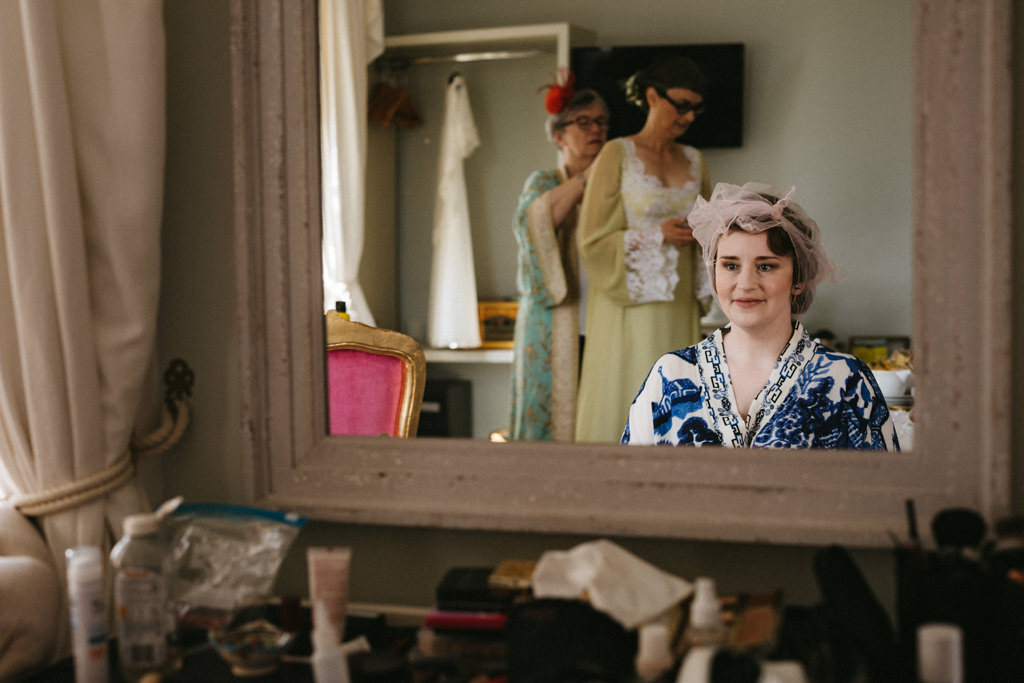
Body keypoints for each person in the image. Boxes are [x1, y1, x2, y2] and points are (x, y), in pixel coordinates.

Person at [622, 181, 900, 450]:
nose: (745, 283)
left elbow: (883, 492)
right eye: (730, 265)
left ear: (798, 279)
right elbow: (629, 488)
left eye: (766, 266)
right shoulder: (670, 374)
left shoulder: (846, 379)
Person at [575, 56, 712, 442]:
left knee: (675, 393)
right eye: (681, 104)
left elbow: (711, 226)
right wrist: (656, 235)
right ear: (652, 96)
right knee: (630, 388)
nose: (687, 116)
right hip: (627, 304)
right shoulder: (616, 154)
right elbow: (591, 240)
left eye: (695, 108)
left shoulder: (695, 159)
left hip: (679, 304)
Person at [509, 71, 609, 441]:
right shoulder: (543, 182)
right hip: (551, 327)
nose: (595, 130)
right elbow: (532, 226)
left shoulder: (615, 187)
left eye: (601, 122)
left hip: (603, 324)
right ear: (558, 134)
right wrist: (584, 181)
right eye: (583, 122)